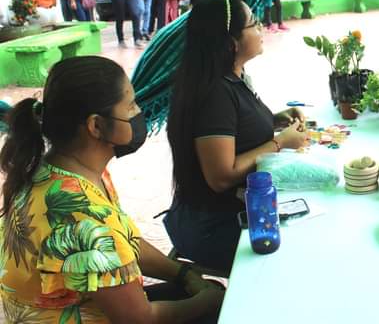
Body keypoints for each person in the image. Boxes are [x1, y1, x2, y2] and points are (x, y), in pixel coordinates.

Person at [0, 56, 224, 323]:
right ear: (96, 126)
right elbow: (138, 319)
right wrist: (207, 302)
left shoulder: (58, 172)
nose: (138, 112)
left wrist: (182, 274)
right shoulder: (82, 215)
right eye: (130, 106)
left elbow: (124, 240)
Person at [165, 0, 308, 272]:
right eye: (254, 24)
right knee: (301, 251)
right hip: (214, 226)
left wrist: (277, 119)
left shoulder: (233, 78)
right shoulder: (215, 92)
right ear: (231, 42)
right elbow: (221, 176)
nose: (262, 29)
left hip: (235, 209)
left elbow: (237, 127)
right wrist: (279, 143)